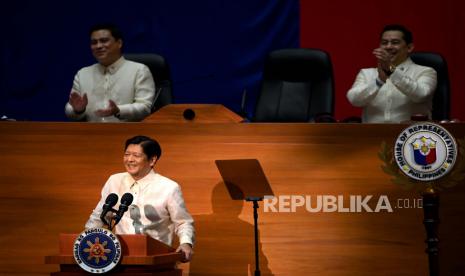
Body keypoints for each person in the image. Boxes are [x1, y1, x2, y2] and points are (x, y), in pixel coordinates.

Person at [85, 135, 194, 262]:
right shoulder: (114, 181)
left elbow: (183, 222)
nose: (129, 159)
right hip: (119, 258)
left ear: (152, 160)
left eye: (136, 155)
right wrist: (86, 239)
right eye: (127, 154)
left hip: (155, 260)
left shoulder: (169, 187)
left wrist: (186, 243)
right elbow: (100, 216)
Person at [346, 24, 437, 123]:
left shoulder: (426, 71)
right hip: (373, 135)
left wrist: (391, 70)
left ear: (409, 47)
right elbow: (354, 100)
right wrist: (379, 81)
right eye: (384, 43)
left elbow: (421, 95)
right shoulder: (366, 73)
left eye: (395, 42)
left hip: (410, 135)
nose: (388, 47)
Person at [65, 24, 155, 122]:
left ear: (119, 43)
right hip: (91, 134)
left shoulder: (139, 70)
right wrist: (78, 110)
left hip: (128, 134)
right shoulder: (82, 74)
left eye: (104, 41)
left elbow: (145, 107)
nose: (98, 46)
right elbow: (70, 109)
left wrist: (119, 110)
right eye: (94, 42)